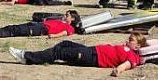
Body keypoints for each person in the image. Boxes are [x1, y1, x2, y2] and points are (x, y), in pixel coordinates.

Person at [8, 32, 147, 77]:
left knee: (59, 52)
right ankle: (46, 56)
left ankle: (27, 57)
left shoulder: (133, 57)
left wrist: (118, 70)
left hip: (92, 57)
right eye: (129, 39)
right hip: (91, 50)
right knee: (65, 44)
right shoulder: (128, 49)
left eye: (131, 40)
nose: (128, 41)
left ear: (138, 46)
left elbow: (126, 65)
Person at [0, 10, 80, 39]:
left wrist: (54, 36)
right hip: (38, 25)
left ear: (73, 18)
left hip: (42, 30)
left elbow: (65, 33)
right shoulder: (61, 20)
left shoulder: (70, 27)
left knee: (15, 31)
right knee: (12, 27)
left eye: (67, 15)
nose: (65, 15)